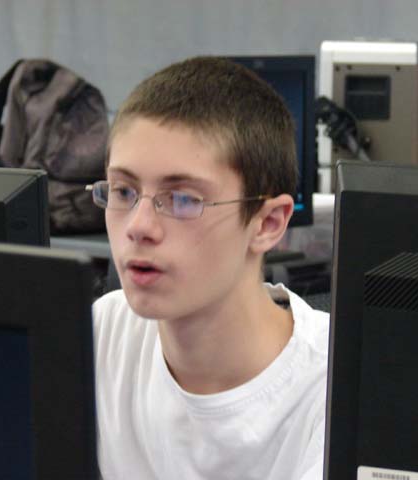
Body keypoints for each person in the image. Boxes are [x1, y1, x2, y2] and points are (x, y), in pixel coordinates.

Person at [90, 56, 329, 480]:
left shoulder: (335, 387)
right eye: (124, 191)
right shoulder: (100, 334)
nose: (138, 227)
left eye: (183, 199)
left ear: (267, 223)